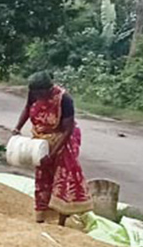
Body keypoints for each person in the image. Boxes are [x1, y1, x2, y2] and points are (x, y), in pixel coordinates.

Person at [14, 72, 93, 225]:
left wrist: (54, 152)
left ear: (48, 90)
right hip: (41, 141)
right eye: (34, 93)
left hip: (63, 140)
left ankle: (61, 221)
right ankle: (42, 218)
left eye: (40, 93)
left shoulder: (64, 99)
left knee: (63, 179)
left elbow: (67, 130)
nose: (37, 96)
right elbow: (27, 108)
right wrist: (17, 128)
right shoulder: (34, 94)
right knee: (42, 178)